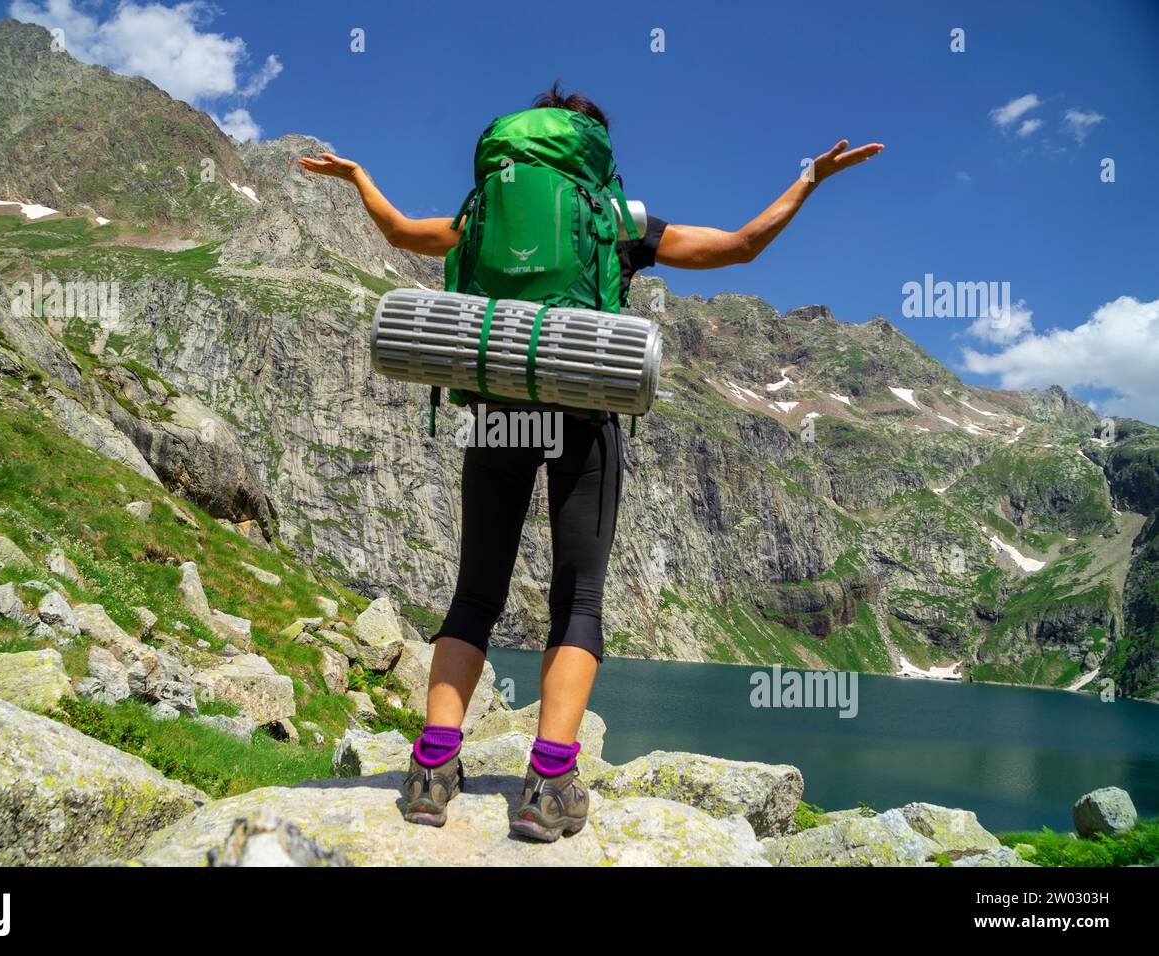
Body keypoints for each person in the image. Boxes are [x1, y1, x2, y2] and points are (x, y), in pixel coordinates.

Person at [298, 84, 882, 841]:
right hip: (581, 412)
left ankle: (432, 772)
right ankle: (548, 783)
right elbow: (741, 244)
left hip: (503, 411)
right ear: (596, 152)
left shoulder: (484, 214)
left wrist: (358, 178)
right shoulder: (616, 218)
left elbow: (403, 232)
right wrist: (809, 179)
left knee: (474, 593)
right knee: (579, 598)